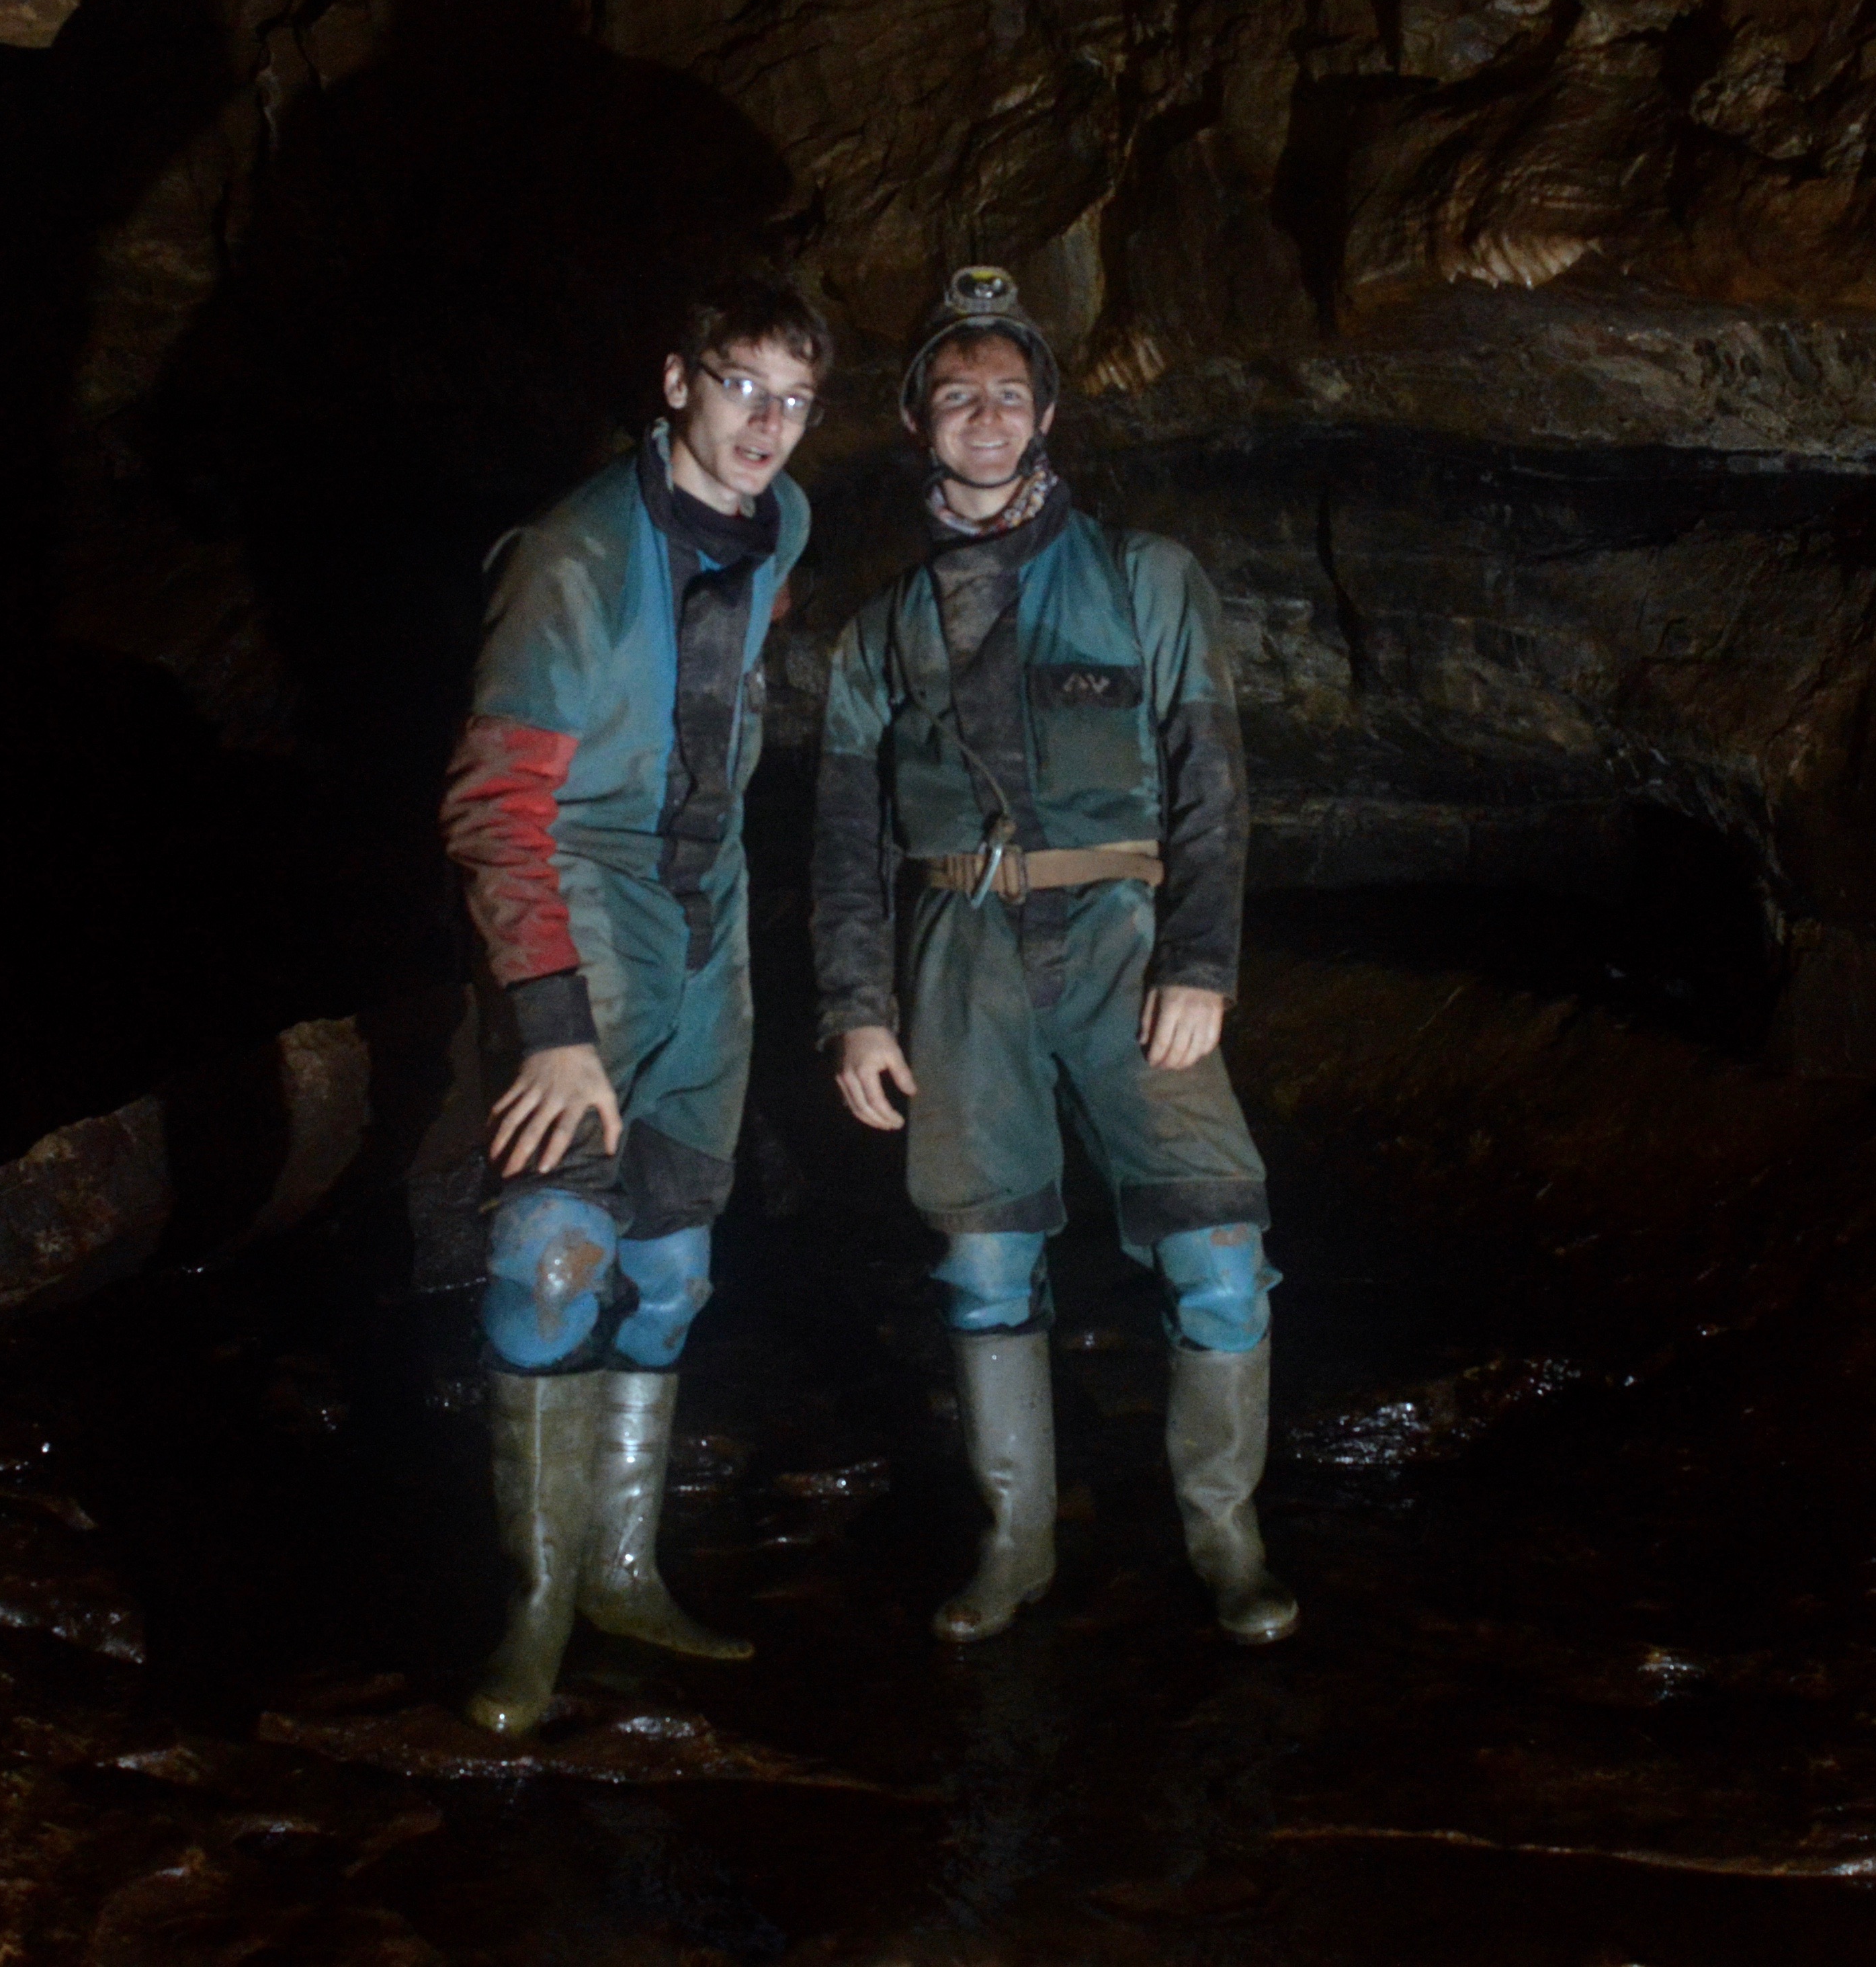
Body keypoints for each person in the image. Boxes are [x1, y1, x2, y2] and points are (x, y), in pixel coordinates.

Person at [810, 265, 1296, 1646]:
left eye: (1008, 394)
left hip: (1123, 945)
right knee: (984, 1262)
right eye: (957, 395)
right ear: (918, 420)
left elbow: (1212, 779)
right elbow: (844, 836)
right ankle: (1015, 1545)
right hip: (956, 954)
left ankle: (1226, 1539)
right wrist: (855, 1009)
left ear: (1046, 416)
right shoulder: (880, 630)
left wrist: (1201, 961)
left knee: (1218, 1246)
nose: (985, 416)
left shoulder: (1147, 578)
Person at [435, 281, 826, 1731]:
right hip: (583, 893)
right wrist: (548, 1020)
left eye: (796, 401)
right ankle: (532, 1612)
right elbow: (493, 803)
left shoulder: (784, 522)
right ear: (676, 382)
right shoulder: (574, 557)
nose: (766, 426)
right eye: (740, 387)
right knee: (553, 1253)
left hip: (707, 913)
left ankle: (621, 1571)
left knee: (670, 1266)